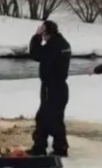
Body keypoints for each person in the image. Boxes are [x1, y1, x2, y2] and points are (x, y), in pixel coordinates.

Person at [27, 20, 72, 157]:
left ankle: (55, 148)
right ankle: (44, 146)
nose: (42, 37)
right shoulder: (63, 43)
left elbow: (35, 53)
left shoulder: (53, 46)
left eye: (43, 33)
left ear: (47, 33)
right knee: (51, 117)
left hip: (52, 87)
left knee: (47, 118)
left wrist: (36, 36)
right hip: (59, 86)